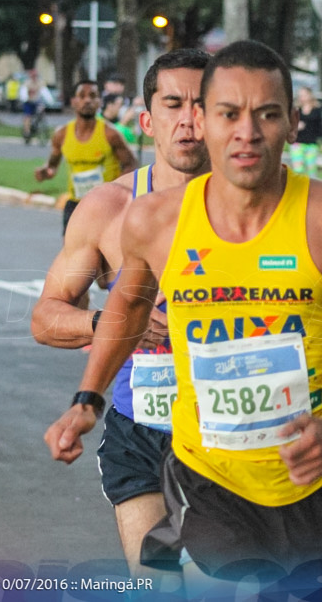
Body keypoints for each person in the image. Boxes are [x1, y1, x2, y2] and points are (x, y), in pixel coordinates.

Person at [48, 40, 322, 581]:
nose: (247, 133)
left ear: (294, 124)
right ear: (204, 122)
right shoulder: (152, 221)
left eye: (267, 115)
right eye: (229, 115)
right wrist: (87, 400)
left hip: (313, 475)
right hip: (204, 471)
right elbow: (127, 311)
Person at [37, 49, 211, 579]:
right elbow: (46, 316)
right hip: (140, 429)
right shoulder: (109, 208)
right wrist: (110, 322)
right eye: (173, 104)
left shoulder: (261, 207)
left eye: (203, 106)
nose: (188, 120)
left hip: (225, 437)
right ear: (146, 119)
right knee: (155, 584)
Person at [35, 79, 137, 237]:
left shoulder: (110, 134)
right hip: (76, 204)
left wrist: (114, 192)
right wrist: (45, 171)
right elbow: (52, 166)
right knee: (72, 256)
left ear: (99, 102)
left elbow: (131, 165)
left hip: (106, 205)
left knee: (104, 257)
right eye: (81, 96)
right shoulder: (61, 134)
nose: (87, 100)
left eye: (92, 96)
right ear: (73, 101)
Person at [289, 86, 322, 177]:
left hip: (311, 143)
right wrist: (296, 126)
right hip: (298, 143)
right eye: (300, 95)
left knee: (311, 170)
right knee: (298, 170)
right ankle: (298, 189)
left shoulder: (317, 110)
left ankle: (310, 189)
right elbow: (288, 125)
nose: (302, 97)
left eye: (304, 95)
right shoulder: (296, 110)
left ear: (310, 95)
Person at [20, 71, 54, 143]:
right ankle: (27, 131)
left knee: (41, 110)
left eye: (35, 76)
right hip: (28, 102)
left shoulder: (40, 83)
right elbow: (23, 92)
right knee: (27, 116)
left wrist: (50, 101)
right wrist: (24, 98)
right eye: (33, 76)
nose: (34, 78)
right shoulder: (27, 83)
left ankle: (39, 124)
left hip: (36, 102)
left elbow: (45, 92)